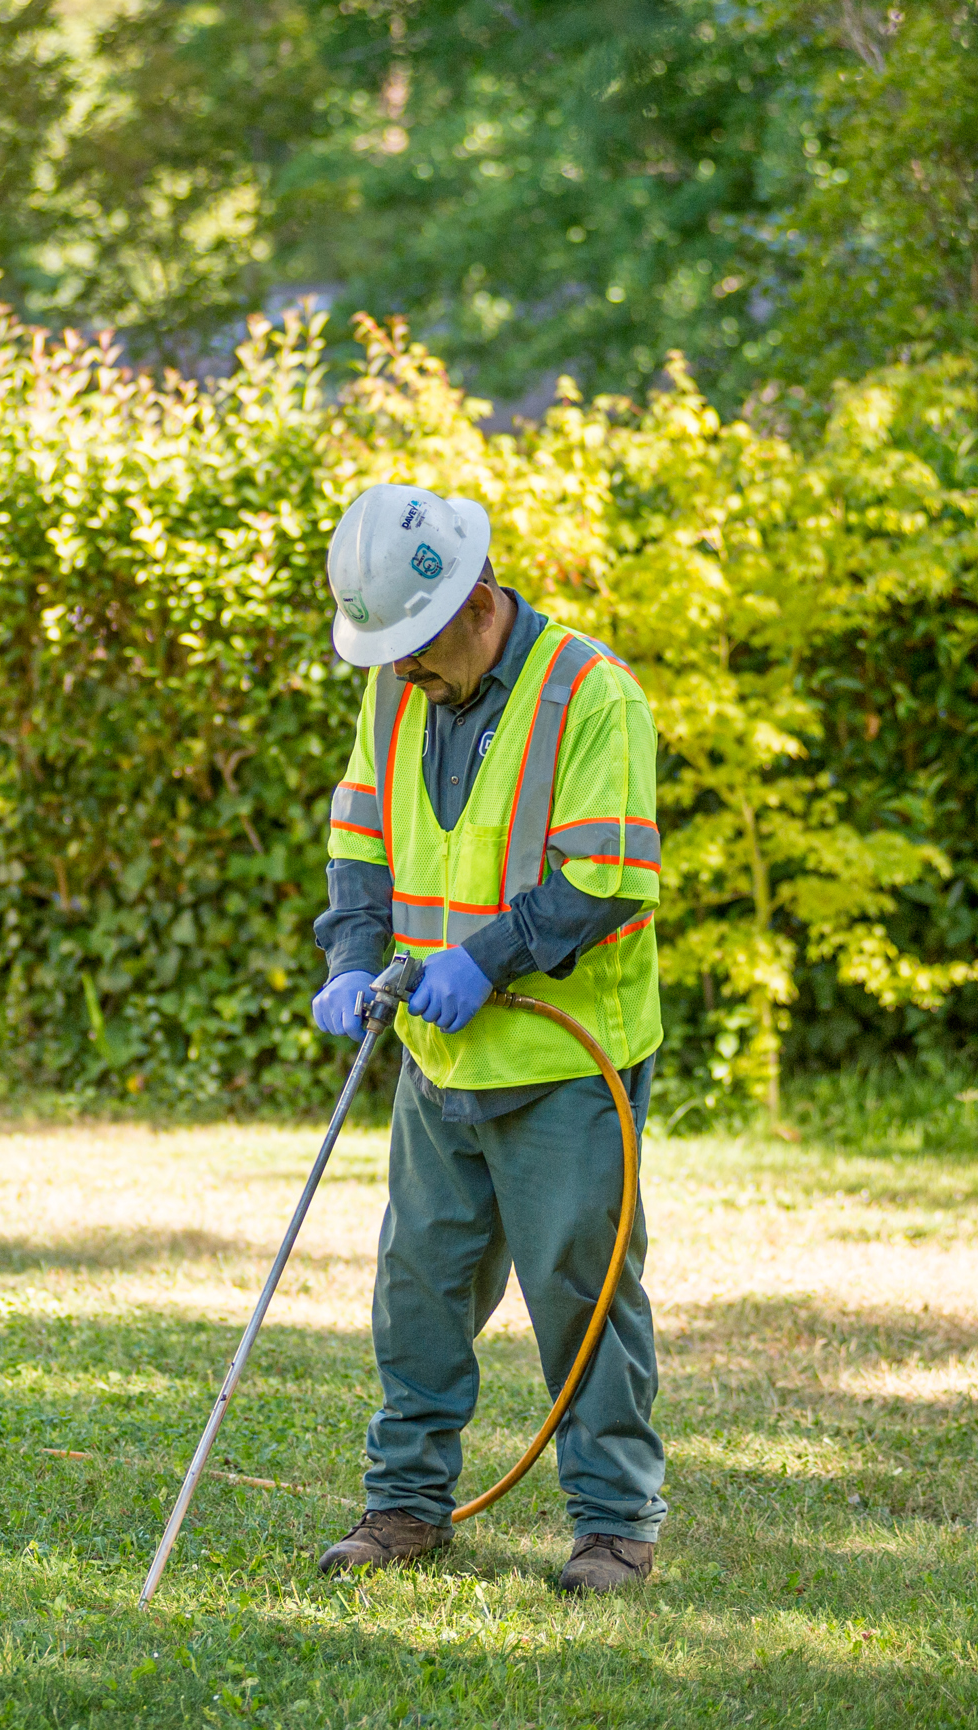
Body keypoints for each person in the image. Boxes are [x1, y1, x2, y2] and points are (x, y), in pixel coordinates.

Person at [308, 481, 666, 1595]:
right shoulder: (395, 690)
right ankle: (405, 1504)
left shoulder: (590, 693)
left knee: (578, 1287)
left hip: (568, 1062)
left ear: (474, 601)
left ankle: (613, 1522)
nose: (402, 670)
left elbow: (605, 879)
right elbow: (360, 848)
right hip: (434, 1053)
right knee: (415, 1282)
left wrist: (486, 958)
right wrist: (351, 959)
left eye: (417, 647)